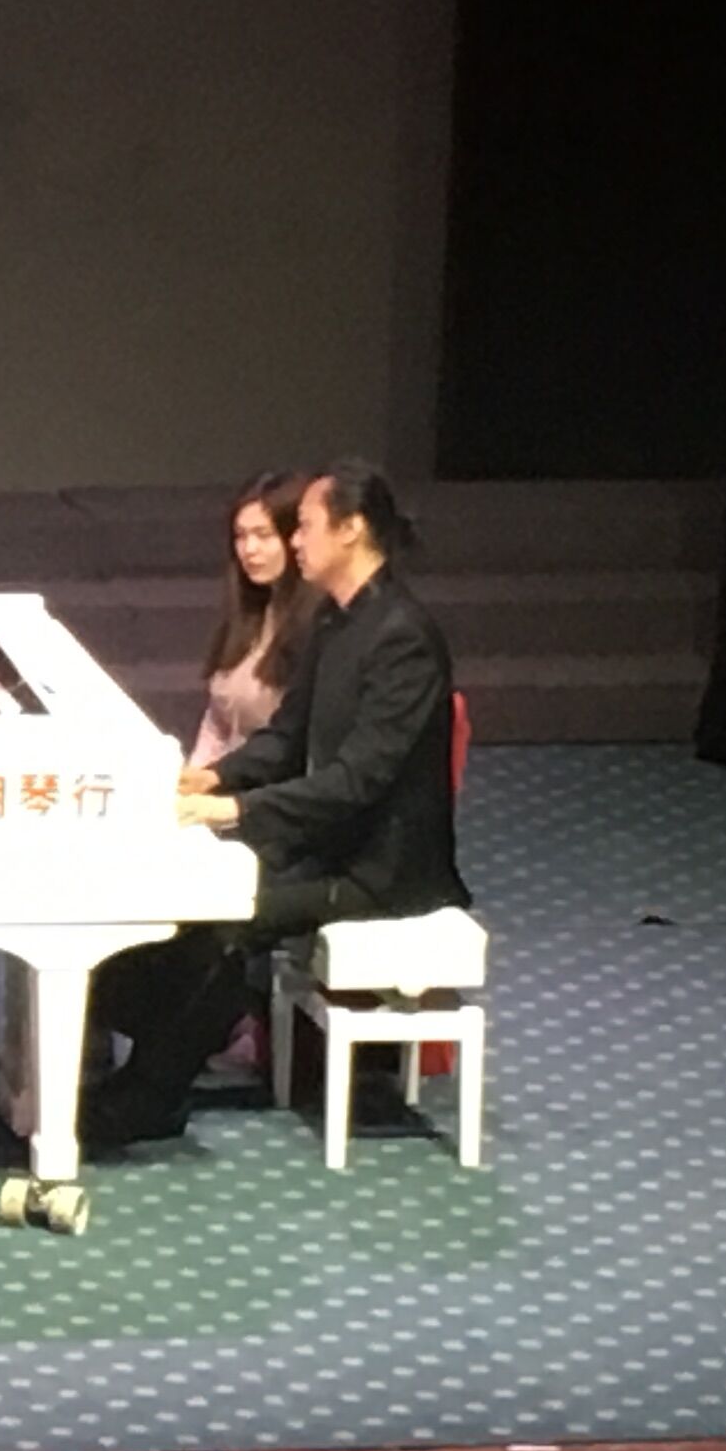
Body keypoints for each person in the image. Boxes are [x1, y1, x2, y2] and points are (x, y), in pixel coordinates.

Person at [84, 458, 467, 1146]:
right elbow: (287, 739)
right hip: (331, 847)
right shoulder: (335, 622)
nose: (294, 541)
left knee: (230, 919)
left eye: (307, 526)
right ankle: (148, 1059)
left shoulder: (402, 637)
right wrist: (211, 779)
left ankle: (151, 1096)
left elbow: (358, 781)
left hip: (384, 874)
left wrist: (236, 812)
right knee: (188, 898)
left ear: (351, 530)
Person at [191, 470, 315, 769]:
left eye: (263, 535)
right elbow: (216, 723)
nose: (249, 549)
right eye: (241, 536)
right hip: (222, 781)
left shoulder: (316, 623)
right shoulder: (251, 614)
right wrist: (195, 777)